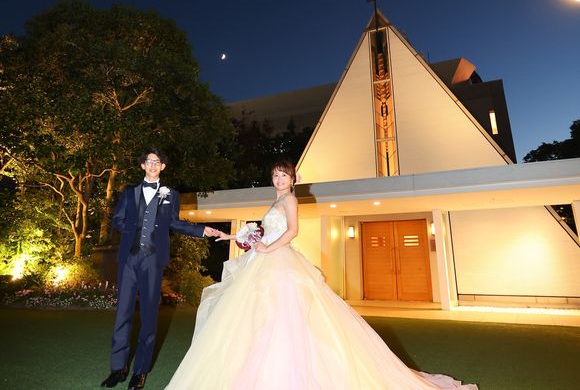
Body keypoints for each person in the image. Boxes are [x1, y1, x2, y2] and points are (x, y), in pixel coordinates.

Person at [165, 160, 478, 390]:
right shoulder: (276, 200)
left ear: (293, 179)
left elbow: (292, 231)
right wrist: (235, 236)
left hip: (278, 261)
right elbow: (264, 231)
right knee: (258, 316)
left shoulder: (290, 199)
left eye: (283, 175)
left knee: (285, 315)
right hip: (264, 258)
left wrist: (267, 248)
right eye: (275, 175)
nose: (278, 179)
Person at [101, 148, 221, 390]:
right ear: (143, 165)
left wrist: (201, 230)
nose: (153, 165)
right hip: (129, 259)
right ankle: (118, 368)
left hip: (153, 260)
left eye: (158, 162)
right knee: (122, 314)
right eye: (149, 161)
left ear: (163, 167)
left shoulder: (171, 195)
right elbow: (117, 219)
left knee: (149, 316)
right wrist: (132, 228)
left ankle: (140, 372)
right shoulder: (129, 192)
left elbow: (174, 222)